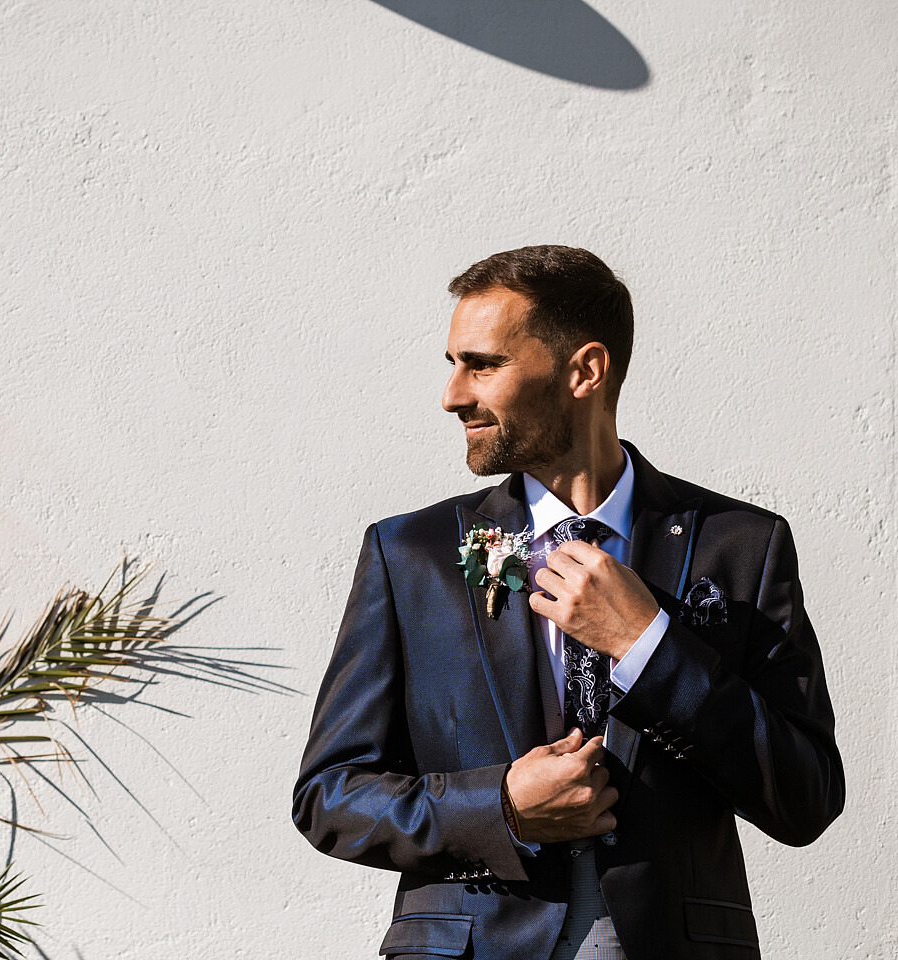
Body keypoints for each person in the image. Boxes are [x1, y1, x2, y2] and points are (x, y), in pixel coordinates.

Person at [291, 245, 844, 960]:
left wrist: (650, 649)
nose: (453, 395)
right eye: (453, 363)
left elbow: (807, 799)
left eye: (483, 365)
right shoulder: (411, 554)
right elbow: (330, 796)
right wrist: (502, 808)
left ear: (584, 370)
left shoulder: (741, 546)